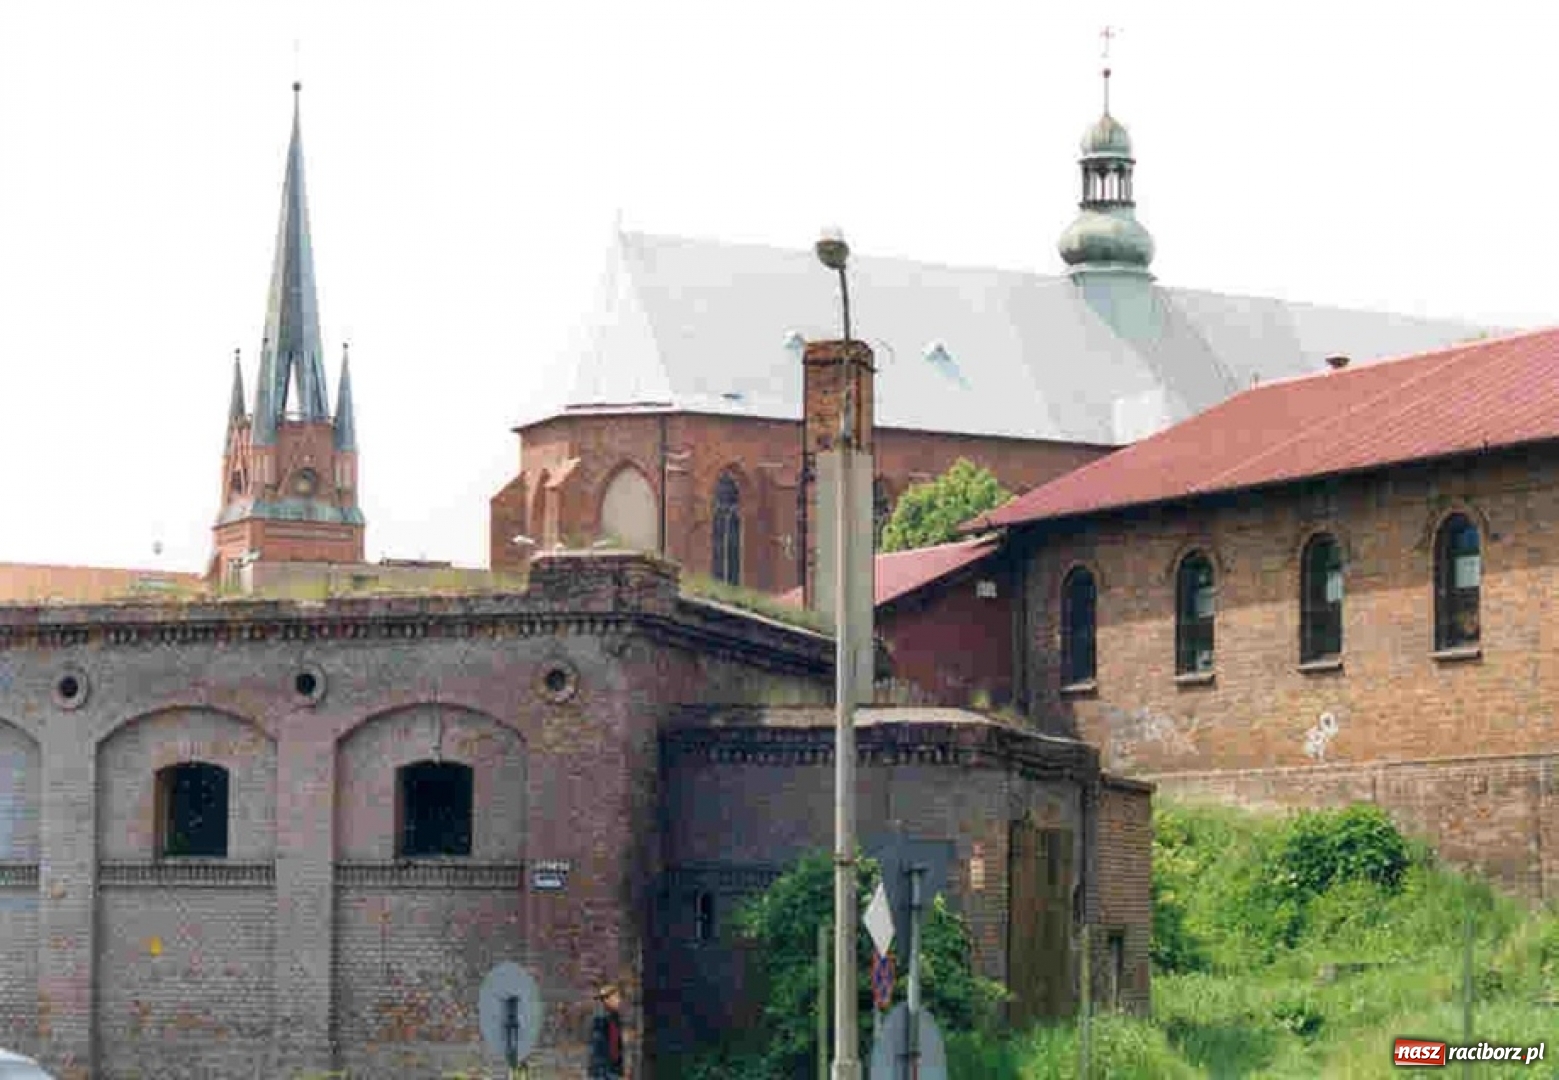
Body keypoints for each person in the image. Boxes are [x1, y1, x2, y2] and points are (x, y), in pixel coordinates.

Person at [586, 984, 624, 1079]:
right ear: (607, 999)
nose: (619, 1001)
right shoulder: (601, 1019)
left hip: (612, 1068)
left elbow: (617, 1044)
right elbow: (598, 1049)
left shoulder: (614, 1017)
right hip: (604, 1069)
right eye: (616, 997)